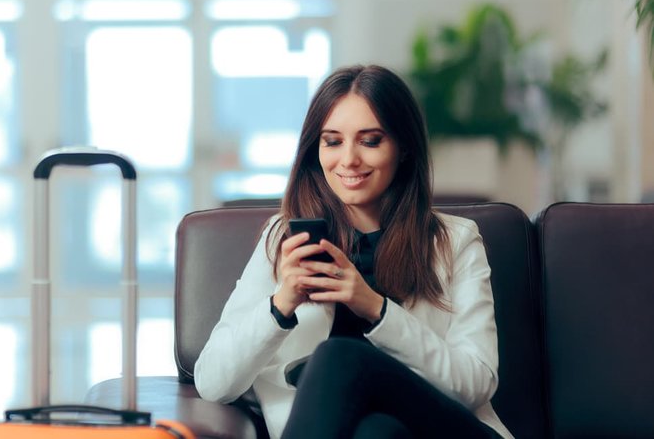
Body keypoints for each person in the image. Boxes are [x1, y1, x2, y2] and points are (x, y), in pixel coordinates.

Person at [194, 64, 511, 438]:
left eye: (370, 140)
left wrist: (374, 309)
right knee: (377, 432)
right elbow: (212, 383)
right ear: (316, 150)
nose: (348, 160)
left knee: (337, 358)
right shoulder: (282, 241)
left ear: (404, 147)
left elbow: (475, 383)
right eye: (332, 141)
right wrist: (281, 304)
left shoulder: (455, 241)